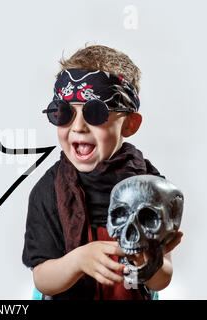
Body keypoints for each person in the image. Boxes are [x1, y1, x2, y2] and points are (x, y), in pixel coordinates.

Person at [22, 44, 183, 300]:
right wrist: (77, 261)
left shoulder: (152, 187)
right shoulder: (49, 190)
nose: (77, 127)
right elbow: (43, 279)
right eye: (64, 113)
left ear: (129, 124)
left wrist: (150, 261)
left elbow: (162, 278)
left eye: (95, 113)